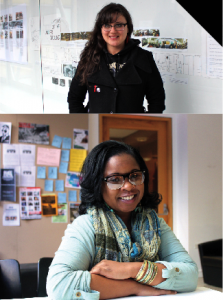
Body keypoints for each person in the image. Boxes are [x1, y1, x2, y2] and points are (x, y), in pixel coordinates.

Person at [47, 140, 198, 300]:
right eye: (115, 179)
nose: (128, 186)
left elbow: (191, 275)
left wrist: (131, 270)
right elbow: (59, 286)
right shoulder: (86, 225)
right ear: (98, 185)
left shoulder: (155, 223)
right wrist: (135, 288)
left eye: (135, 176)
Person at [68, 3, 165, 113]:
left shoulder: (144, 57)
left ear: (128, 28)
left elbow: (157, 101)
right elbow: (74, 99)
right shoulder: (89, 57)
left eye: (119, 25)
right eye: (107, 25)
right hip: (97, 125)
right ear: (100, 29)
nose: (113, 31)